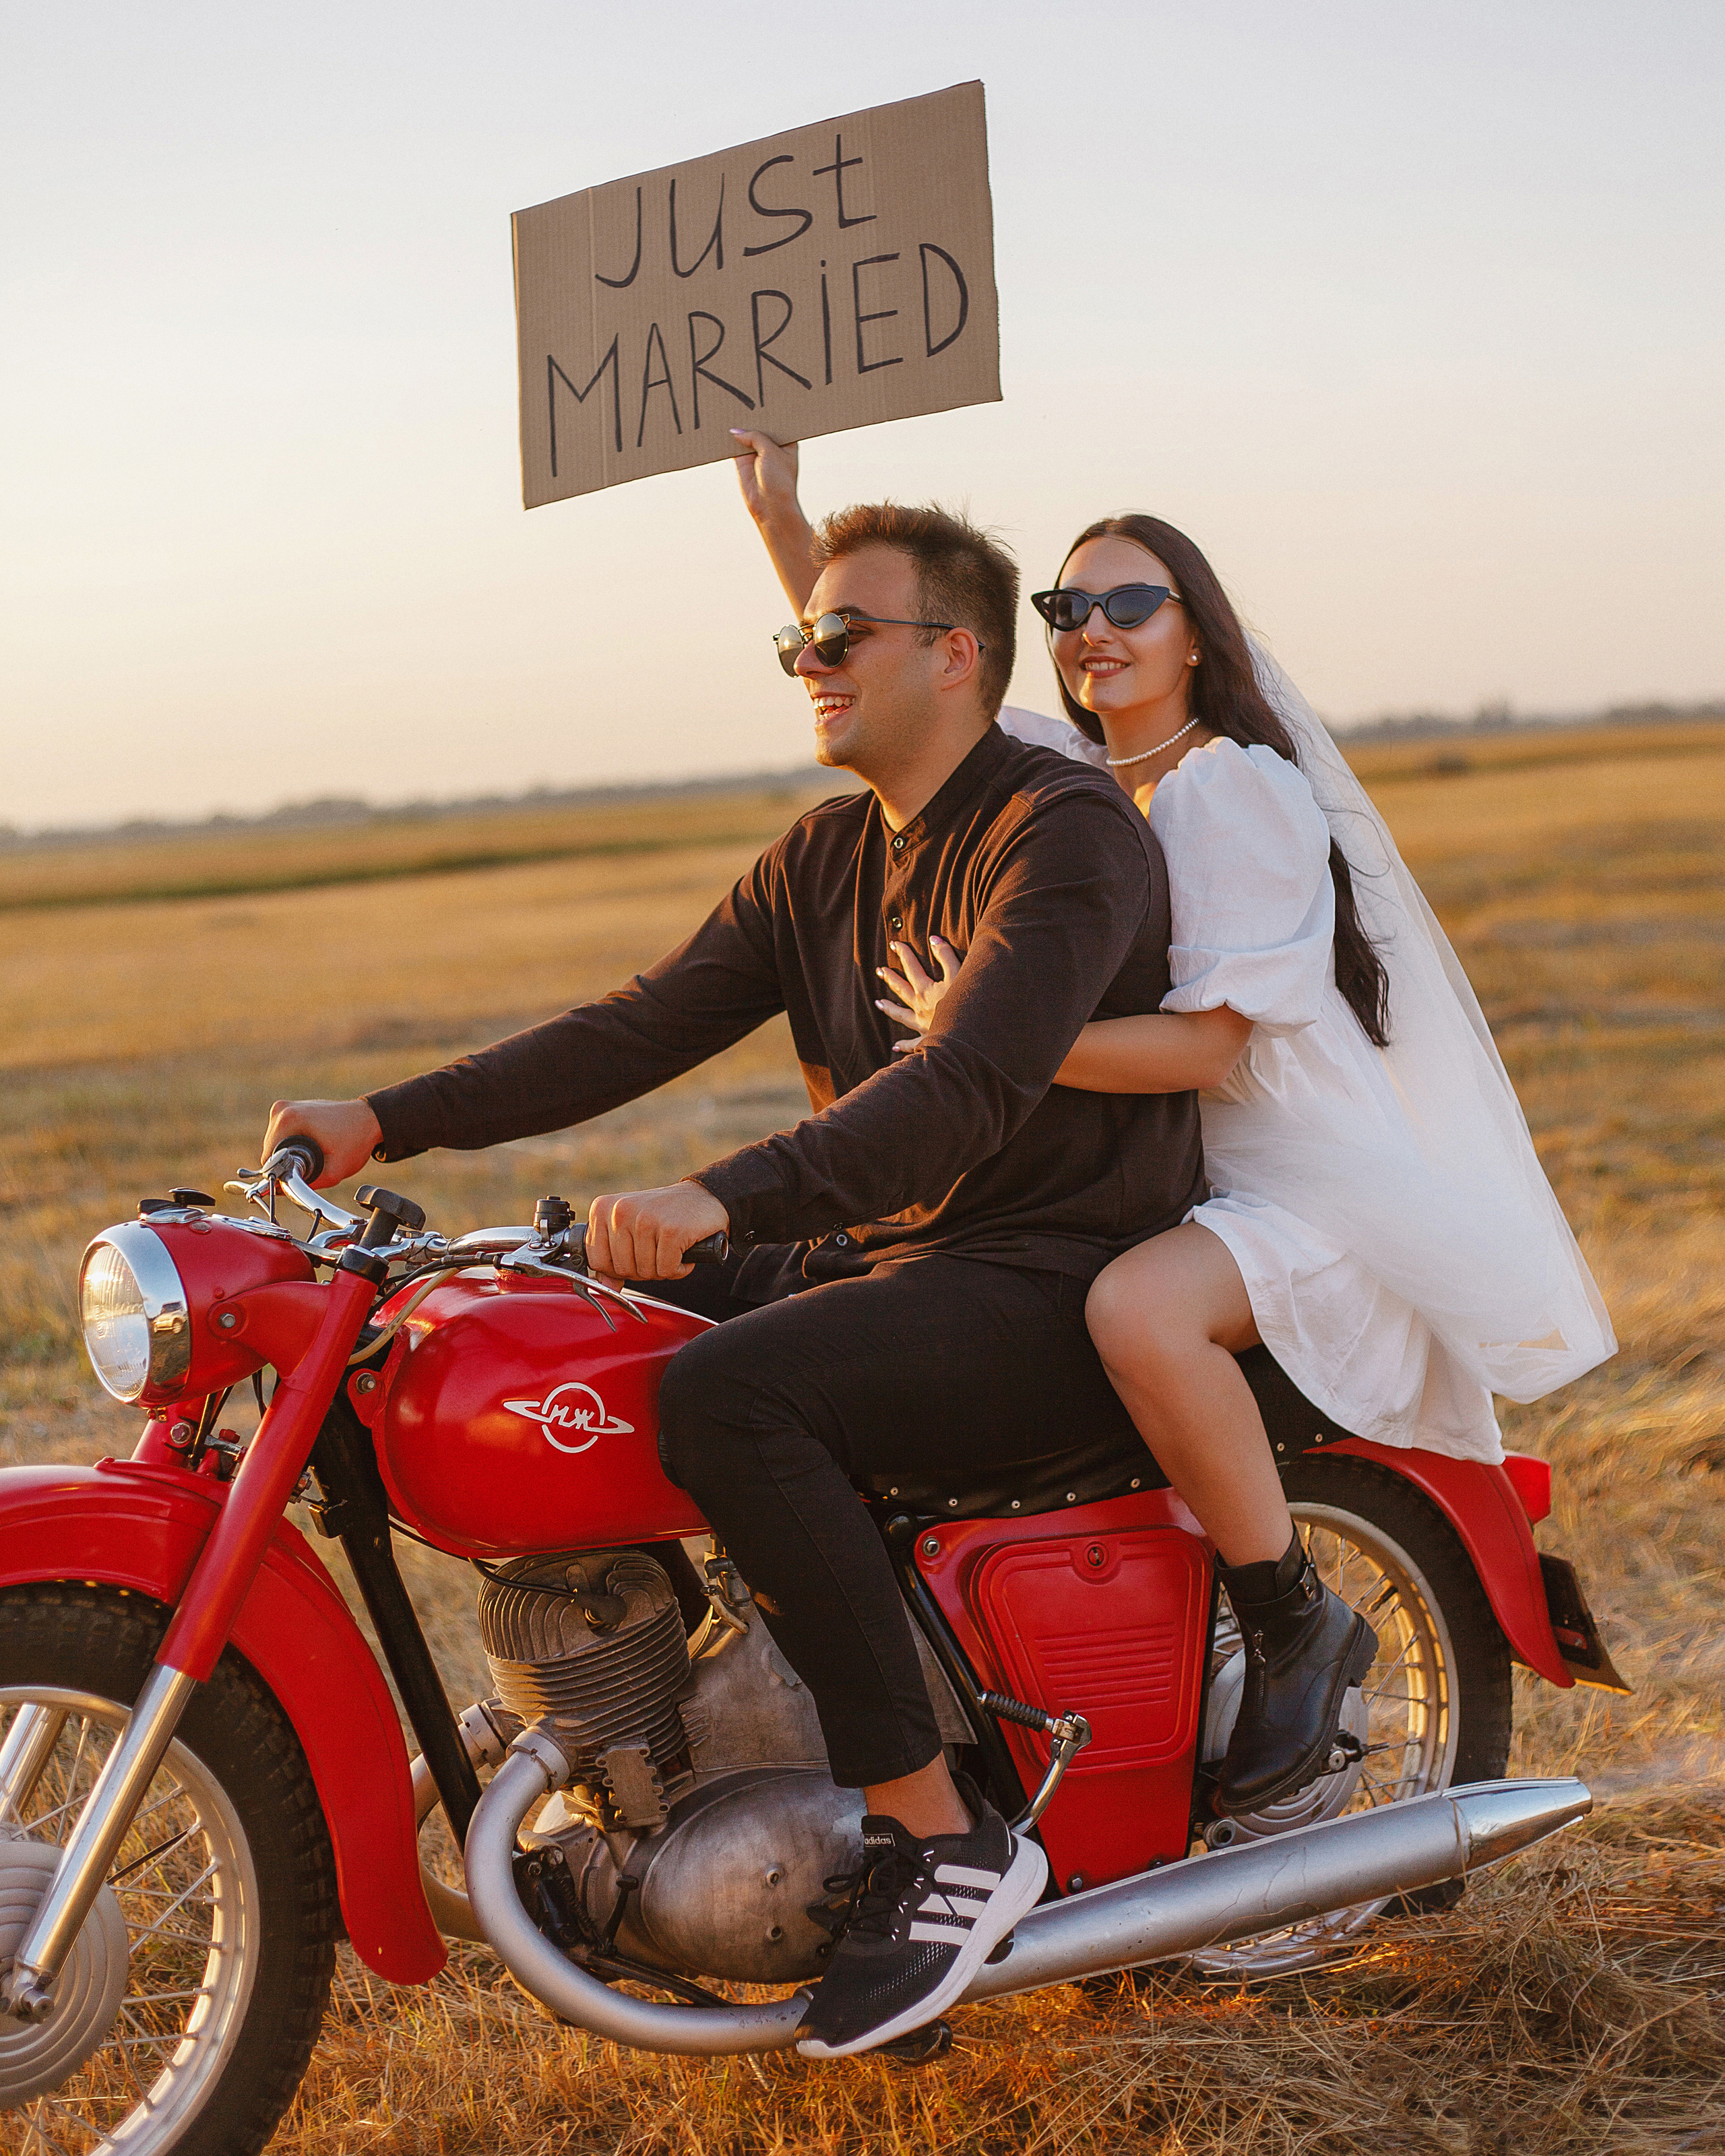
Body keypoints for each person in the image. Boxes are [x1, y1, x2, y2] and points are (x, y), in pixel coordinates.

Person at [262, 501, 1212, 2058]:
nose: (806, 663)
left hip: (1052, 1268)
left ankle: (937, 1837)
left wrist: (723, 1194)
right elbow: (642, 1023)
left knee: (732, 1390)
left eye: (839, 638)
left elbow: (960, 1090)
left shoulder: (1060, 831)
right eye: (796, 641)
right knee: (570, 1325)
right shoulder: (825, 853)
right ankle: (662, 1751)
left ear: (956, 654)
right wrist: (388, 1116)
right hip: (895, 1261)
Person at [732, 433, 1616, 1821]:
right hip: (1158, 1167)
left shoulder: (1234, 788)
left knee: (1137, 1313)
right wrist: (780, 520)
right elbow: (899, 657)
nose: (1093, 630)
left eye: (1130, 603)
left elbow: (1209, 1048)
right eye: (1067, 607)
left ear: (1195, 630)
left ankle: (1290, 1614)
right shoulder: (1059, 769)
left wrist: (984, 1036)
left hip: (1290, 1175)